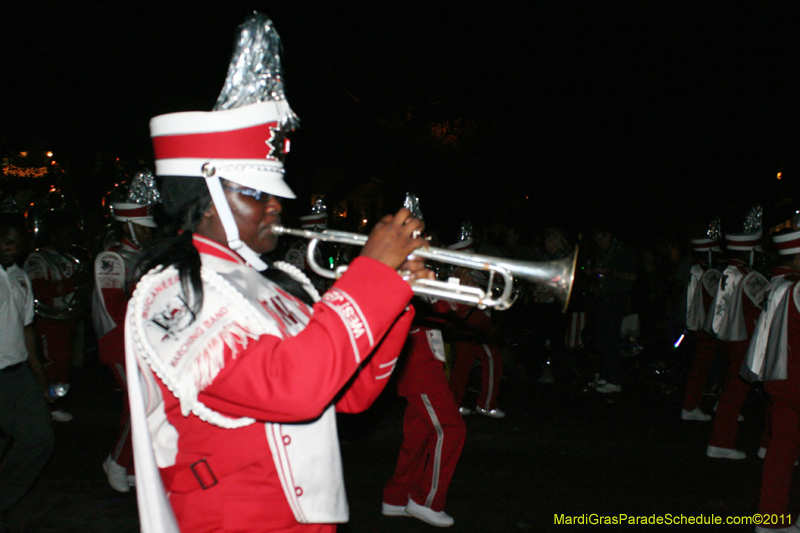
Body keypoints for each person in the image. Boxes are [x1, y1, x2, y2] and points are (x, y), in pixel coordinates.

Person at [125, 13, 432, 533]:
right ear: (205, 203)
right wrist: (372, 276)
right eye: (255, 194)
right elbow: (293, 389)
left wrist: (398, 294)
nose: (274, 209)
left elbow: (351, 395)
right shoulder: (170, 291)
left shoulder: (273, 284)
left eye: (274, 195)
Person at [93, 172, 159, 493]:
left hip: (139, 342)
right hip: (119, 342)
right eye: (144, 227)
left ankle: (131, 467)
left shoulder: (143, 257)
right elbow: (114, 307)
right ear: (128, 225)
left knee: (136, 406)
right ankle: (116, 461)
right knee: (142, 406)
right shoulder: (111, 258)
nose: (149, 233)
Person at [382, 297, 466, 528]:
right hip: (421, 370)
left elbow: (449, 322)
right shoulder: (410, 281)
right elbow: (426, 315)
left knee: (417, 437)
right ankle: (426, 501)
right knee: (451, 431)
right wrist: (447, 302)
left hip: (424, 367)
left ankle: (396, 498)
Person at [741, 228, 800, 532]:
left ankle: (770, 517)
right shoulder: (794, 287)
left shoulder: (776, 285)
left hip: (781, 378)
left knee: (782, 450)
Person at [0, 213, 55, 528]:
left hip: (18, 374)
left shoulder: (21, 276)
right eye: (7, 243)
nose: (13, 250)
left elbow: (27, 329)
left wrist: (40, 375)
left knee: (40, 439)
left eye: (18, 246)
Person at [705, 217, 767, 459]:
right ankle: (722, 441)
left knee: (733, 391)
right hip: (743, 340)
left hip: (728, 339)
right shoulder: (747, 276)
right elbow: (761, 306)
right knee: (737, 393)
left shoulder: (726, 272)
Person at [24, 210, 89, 422]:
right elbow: (38, 290)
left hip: (65, 321)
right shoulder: (38, 258)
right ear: (53, 236)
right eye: (65, 235)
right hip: (47, 322)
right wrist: (72, 283)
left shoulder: (67, 257)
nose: (69, 240)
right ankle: (46, 407)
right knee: (51, 365)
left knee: (63, 364)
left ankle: (54, 403)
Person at [680, 227, 724, 421]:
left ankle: (696, 403)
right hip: (705, 327)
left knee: (703, 367)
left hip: (700, 326)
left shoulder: (697, 269)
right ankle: (692, 405)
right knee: (703, 367)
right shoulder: (704, 272)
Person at [588, 226, 637, 393]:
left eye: (601, 239)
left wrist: (609, 272)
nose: (599, 243)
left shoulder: (623, 251)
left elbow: (633, 276)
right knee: (601, 338)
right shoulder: (602, 252)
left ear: (608, 235)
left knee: (610, 338)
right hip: (602, 299)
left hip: (616, 300)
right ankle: (605, 375)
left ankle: (614, 380)